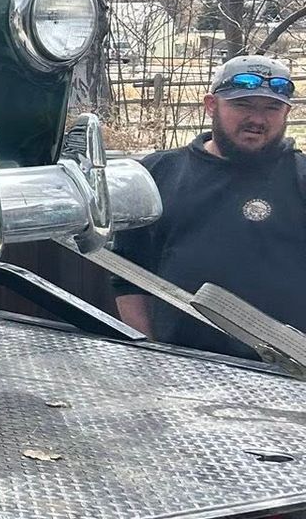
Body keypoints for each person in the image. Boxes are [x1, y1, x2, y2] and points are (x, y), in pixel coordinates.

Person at [112, 54, 305, 349]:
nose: (257, 119)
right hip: (183, 368)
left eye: (272, 107)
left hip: (288, 375)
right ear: (211, 105)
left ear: (286, 112)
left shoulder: (301, 177)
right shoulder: (156, 173)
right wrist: (150, 354)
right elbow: (128, 275)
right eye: (242, 105)